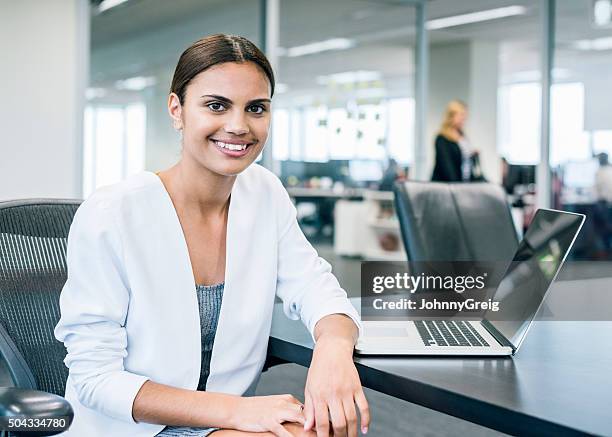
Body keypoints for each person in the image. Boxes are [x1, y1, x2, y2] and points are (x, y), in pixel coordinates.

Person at [54, 34, 369, 437]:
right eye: (216, 105)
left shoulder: (264, 194)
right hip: (130, 426)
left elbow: (319, 289)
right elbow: (96, 380)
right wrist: (234, 411)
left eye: (256, 108)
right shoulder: (112, 212)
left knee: (326, 426)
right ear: (177, 110)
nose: (238, 126)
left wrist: (332, 349)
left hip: (220, 422)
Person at [431, 100, 484, 182]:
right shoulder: (442, 139)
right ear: (451, 116)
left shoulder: (463, 136)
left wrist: (472, 155)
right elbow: (447, 167)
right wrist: (457, 187)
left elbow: (466, 163)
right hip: (446, 186)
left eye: (465, 115)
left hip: (463, 183)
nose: (464, 118)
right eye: (461, 115)